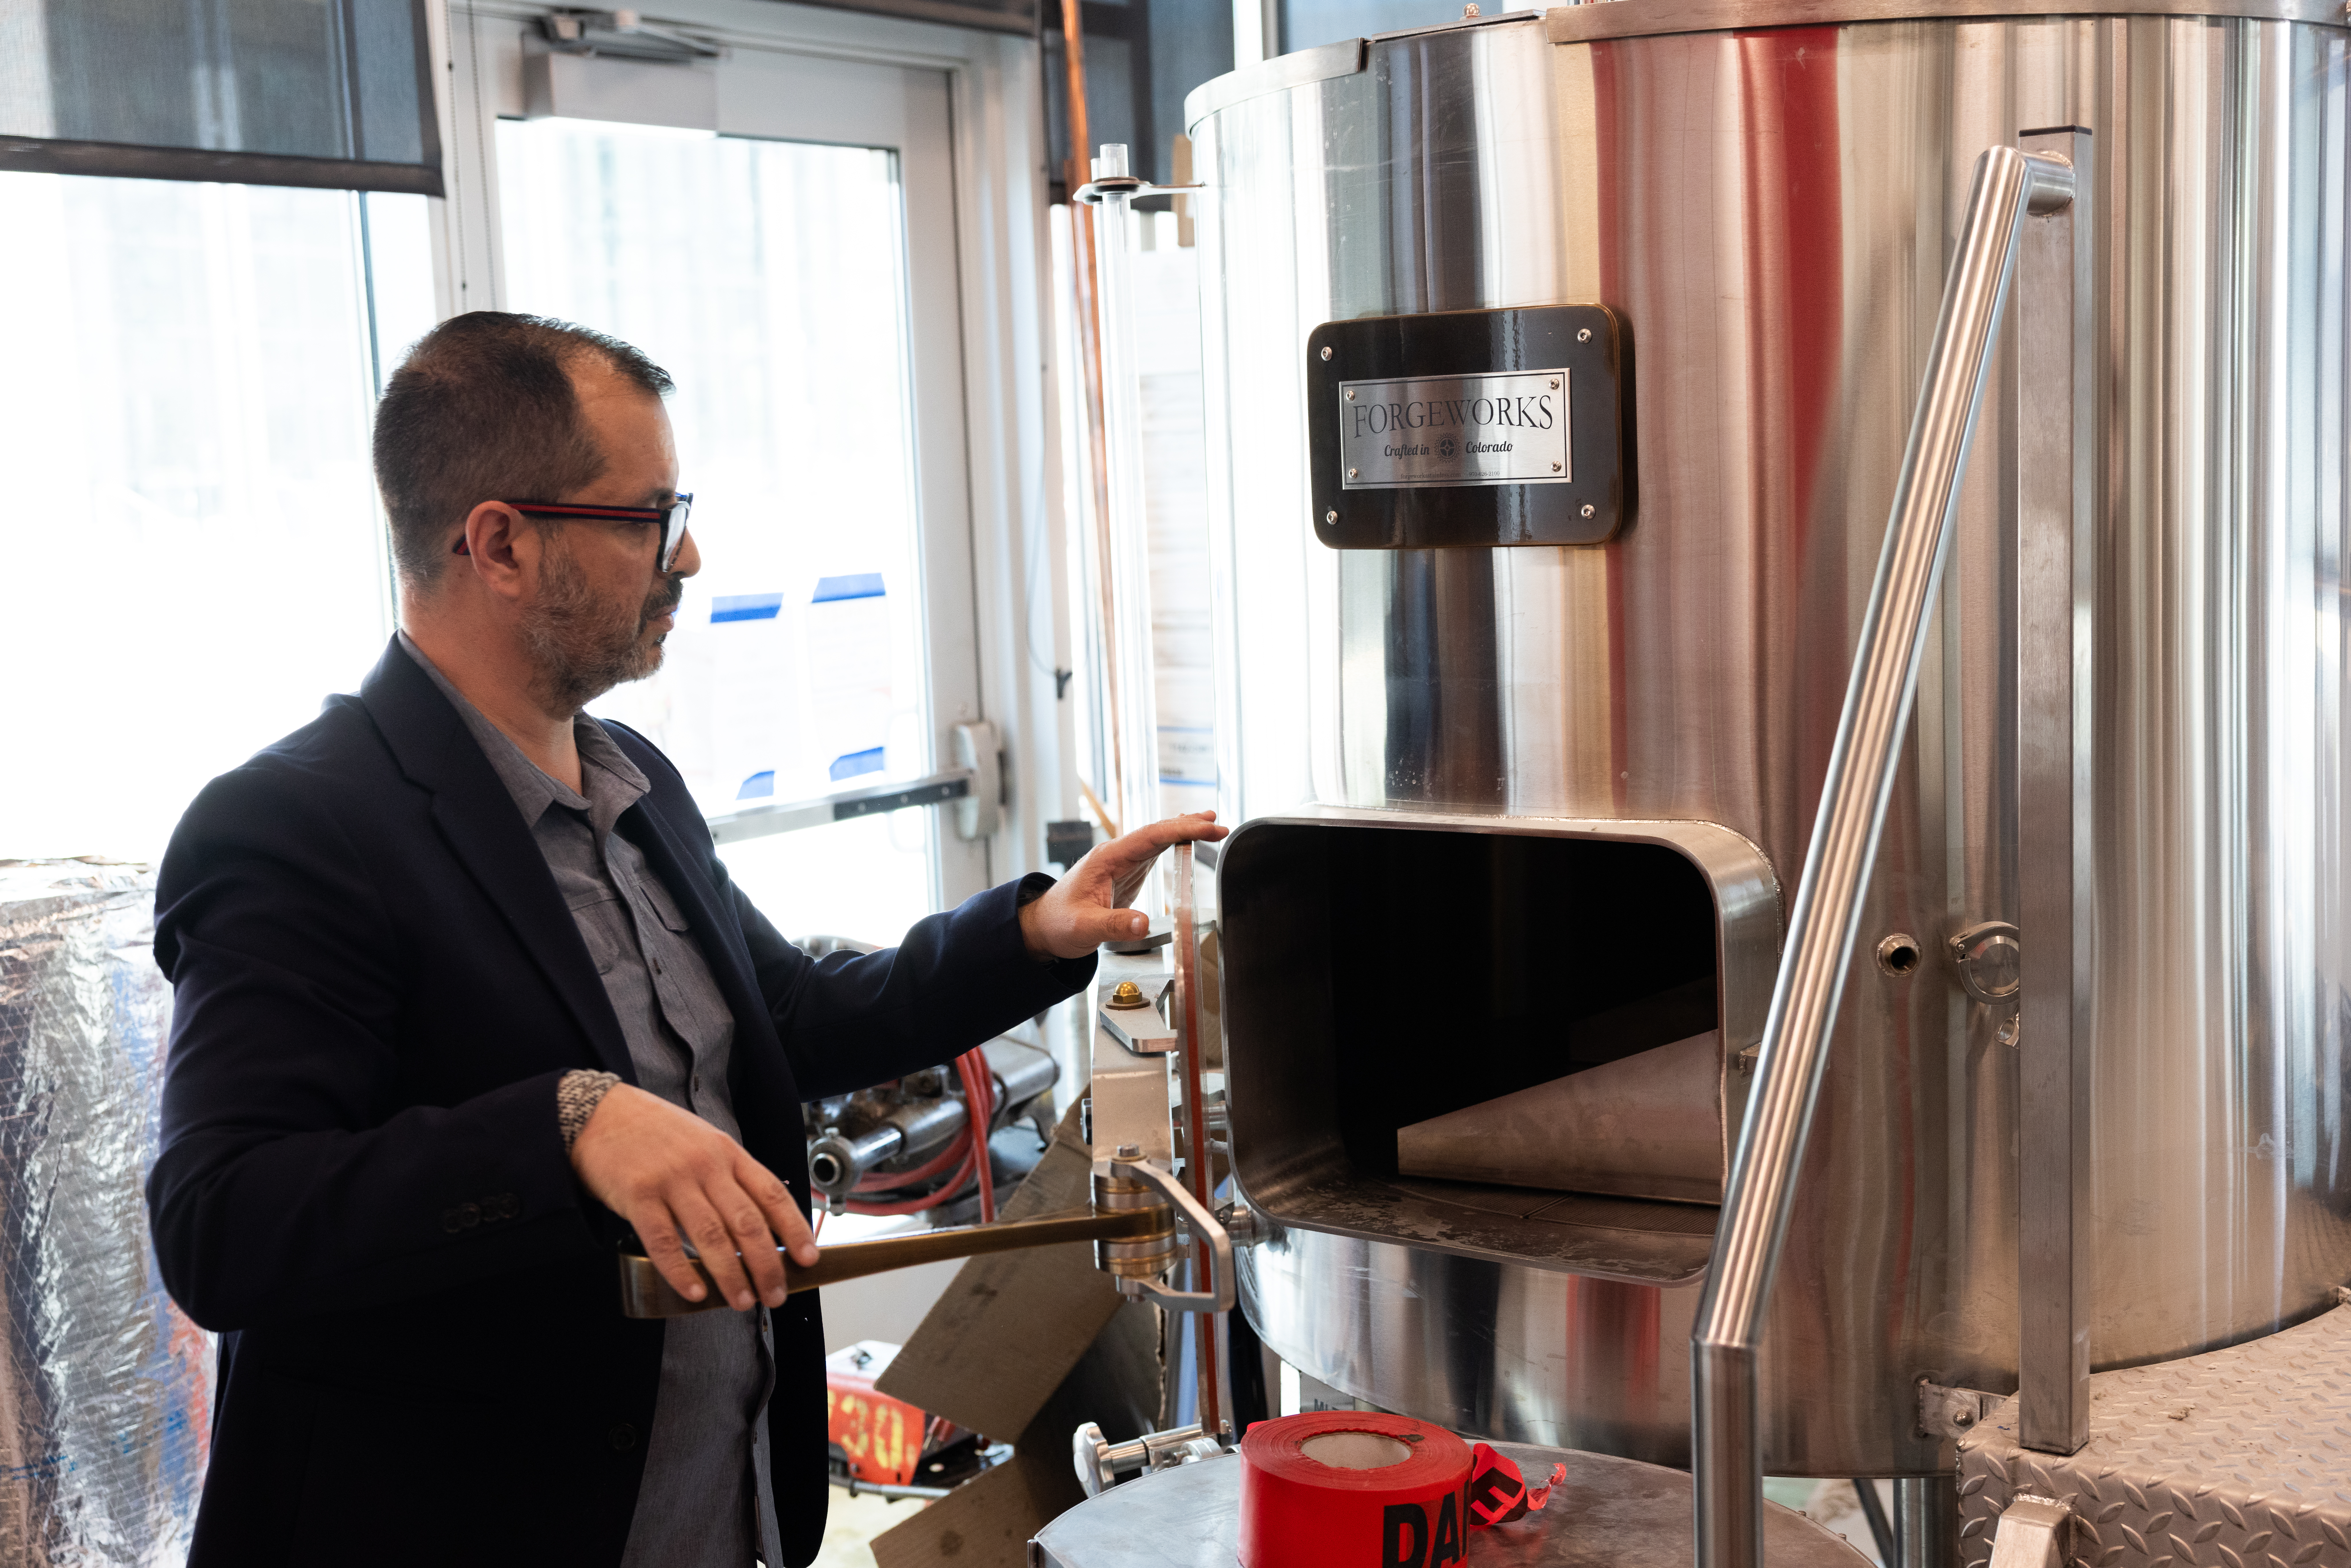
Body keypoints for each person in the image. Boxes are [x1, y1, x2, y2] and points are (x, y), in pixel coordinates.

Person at [145, 311, 1223, 1568]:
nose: (691, 555)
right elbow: (221, 1220)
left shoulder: (632, 781)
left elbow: (791, 1019)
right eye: (648, 515)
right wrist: (567, 1123)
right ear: (499, 542)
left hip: (722, 1516)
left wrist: (1030, 933)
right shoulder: (297, 826)